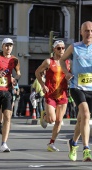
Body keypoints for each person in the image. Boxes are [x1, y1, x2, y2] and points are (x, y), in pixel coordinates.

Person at [59, 21, 92, 162]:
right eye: (86, 30)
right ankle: (86, 149)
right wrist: (66, 72)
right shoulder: (75, 47)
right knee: (85, 114)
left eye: (91, 30)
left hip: (91, 87)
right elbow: (62, 60)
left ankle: (73, 143)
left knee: (81, 119)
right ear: (81, 32)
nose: (89, 33)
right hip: (76, 86)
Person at [35, 40, 70, 152]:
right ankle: (45, 116)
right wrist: (42, 84)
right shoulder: (48, 62)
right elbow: (37, 72)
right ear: (54, 49)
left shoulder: (68, 62)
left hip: (62, 94)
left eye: (63, 48)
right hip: (50, 94)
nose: (61, 50)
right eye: (58, 48)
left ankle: (52, 143)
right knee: (52, 120)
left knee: (59, 121)